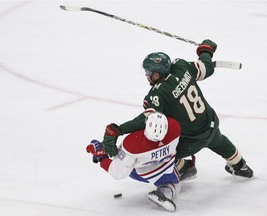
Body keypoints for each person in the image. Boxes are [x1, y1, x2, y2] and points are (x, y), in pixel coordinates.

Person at [102, 39, 253, 179]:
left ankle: (184, 168)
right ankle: (240, 166)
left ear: (156, 74)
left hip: (191, 140)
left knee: (160, 154)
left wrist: (118, 129)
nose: (146, 75)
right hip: (211, 124)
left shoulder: (157, 93)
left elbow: (147, 120)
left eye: (148, 73)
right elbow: (206, 68)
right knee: (219, 141)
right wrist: (206, 51)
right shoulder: (181, 66)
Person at [86, 112, 181, 211]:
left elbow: (118, 173)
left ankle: (100, 151)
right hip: (165, 165)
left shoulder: (133, 143)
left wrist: (102, 158)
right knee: (175, 184)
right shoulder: (175, 127)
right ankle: (164, 191)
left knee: (125, 164)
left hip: (140, 172)